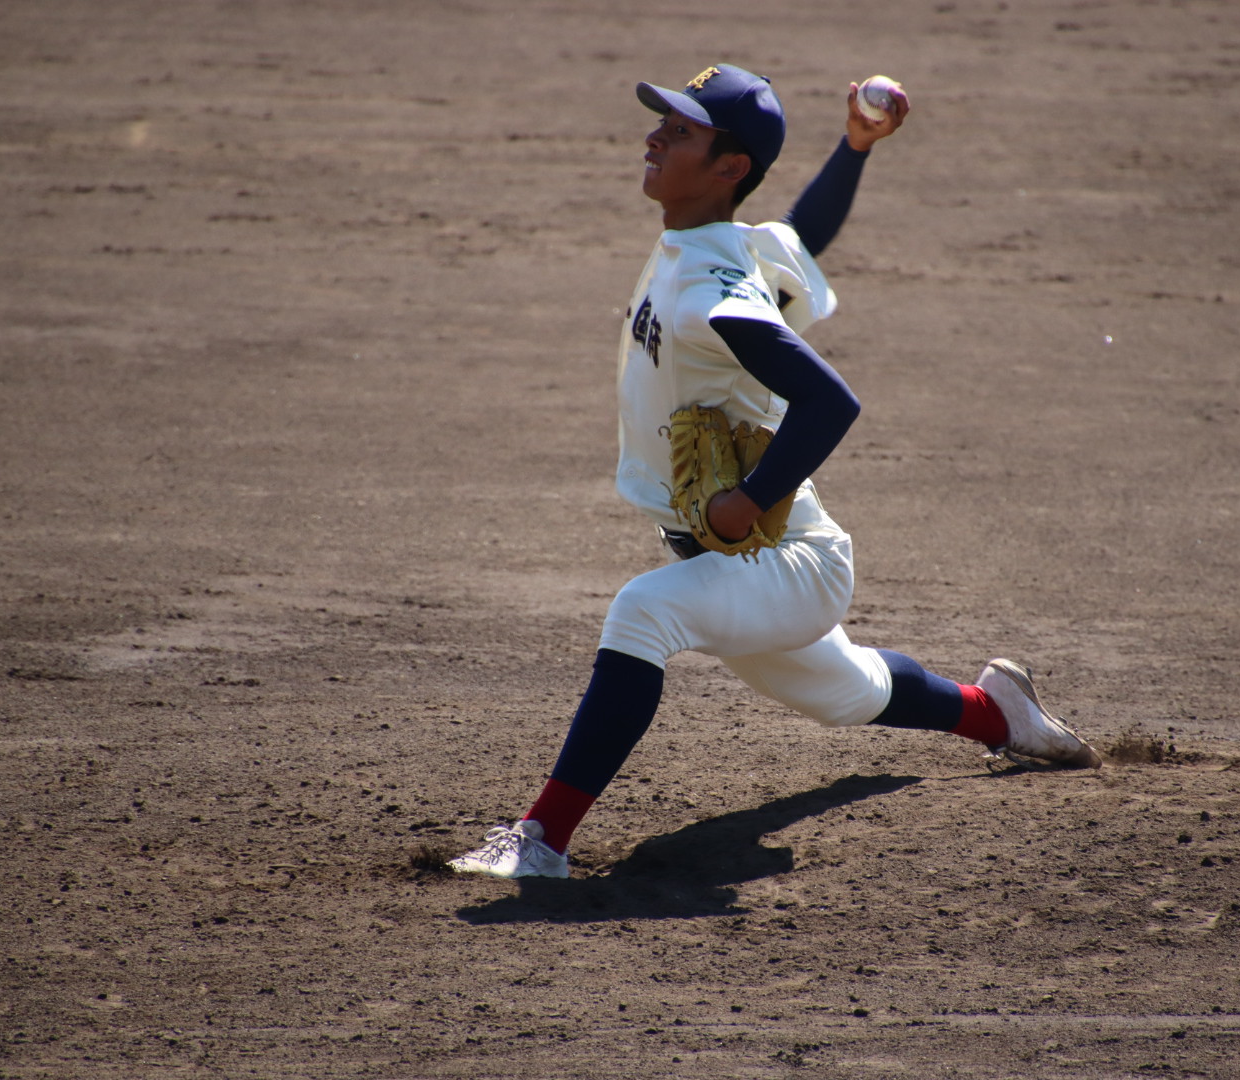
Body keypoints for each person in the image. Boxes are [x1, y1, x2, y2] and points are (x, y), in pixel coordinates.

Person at [450, 64, 1100, 880]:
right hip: (745, 562)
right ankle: (998, 713)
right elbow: (803, 235)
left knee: (642, 614)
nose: (654, 137)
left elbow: (830, 402)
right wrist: (856, 146)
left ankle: (540, 840)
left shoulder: (711, 289)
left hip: (787, 557)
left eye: (680, 131)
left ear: (729, 168)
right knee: (849, 691)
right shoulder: (729, 247)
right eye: (664, 123)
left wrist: (748, 500)